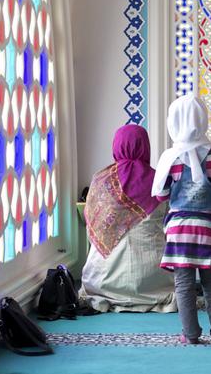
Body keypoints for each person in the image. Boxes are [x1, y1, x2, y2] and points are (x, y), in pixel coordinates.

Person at [152, 94, 211, 344]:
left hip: (179, 230)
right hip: (208, 229)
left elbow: (160, 195)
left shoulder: (170, 157)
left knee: (184, 285)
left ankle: (190, 335)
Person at [79, 125, 176, 313]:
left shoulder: (100, 180)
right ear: (145, 146)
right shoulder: (159, 179)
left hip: (104, 281)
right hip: (153, 280)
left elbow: (89, 220)